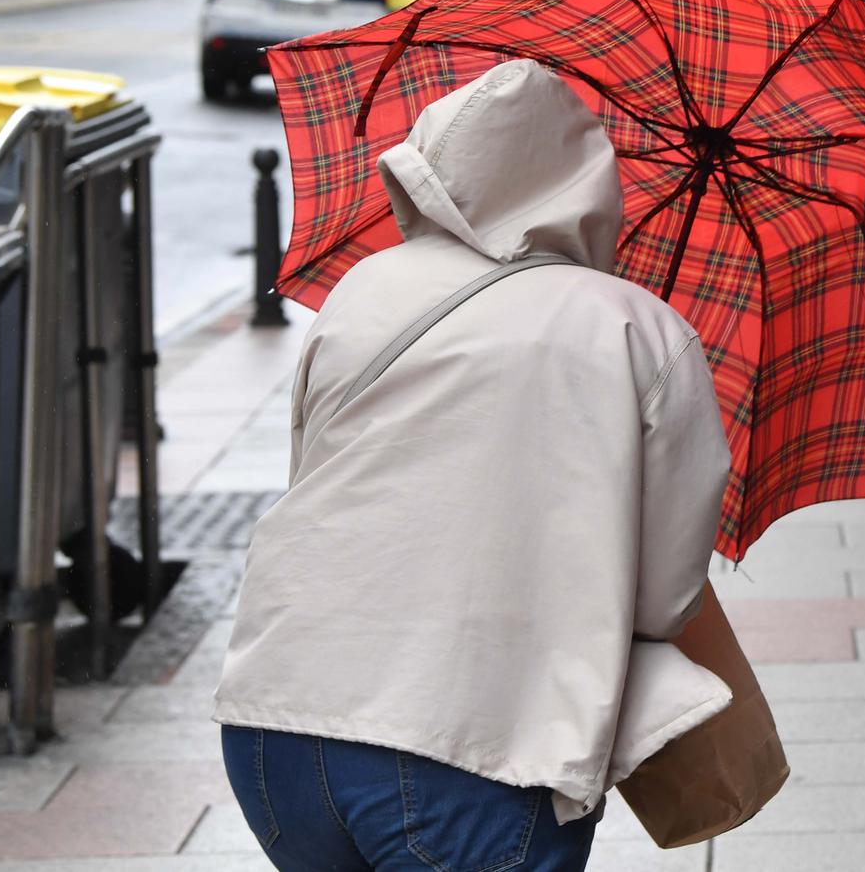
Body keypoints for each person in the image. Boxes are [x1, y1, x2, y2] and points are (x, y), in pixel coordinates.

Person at [215, 60, 732, 870]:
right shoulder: (639, 329)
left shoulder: (361, 288)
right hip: (471, 745)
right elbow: (663, 601)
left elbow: (313, 478)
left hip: (273, 731)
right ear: (587, 183)